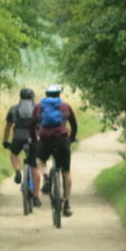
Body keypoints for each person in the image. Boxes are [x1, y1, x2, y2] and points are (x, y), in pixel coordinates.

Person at [32, 83, 78, 217]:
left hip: (45, 140)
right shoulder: (65, 106)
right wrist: (72, 138)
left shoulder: (39, 107)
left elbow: (32, 125)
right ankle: (67, 204)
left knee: (40, 160)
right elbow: (74, 124)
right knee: (66, 172)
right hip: (63, 141)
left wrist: (34, 138)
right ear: (59, 95)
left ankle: (46, 177)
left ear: (46, 95)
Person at [3, 88, 41, 206]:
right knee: (35, 167)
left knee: (14, 154)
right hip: (34, 138)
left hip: (18, 137)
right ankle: (35, 196)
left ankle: (18, 171)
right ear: (33, 97)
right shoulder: (39, 109)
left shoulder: (13, 109)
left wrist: (5, 140)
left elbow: (8, 127)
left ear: (20, 97)